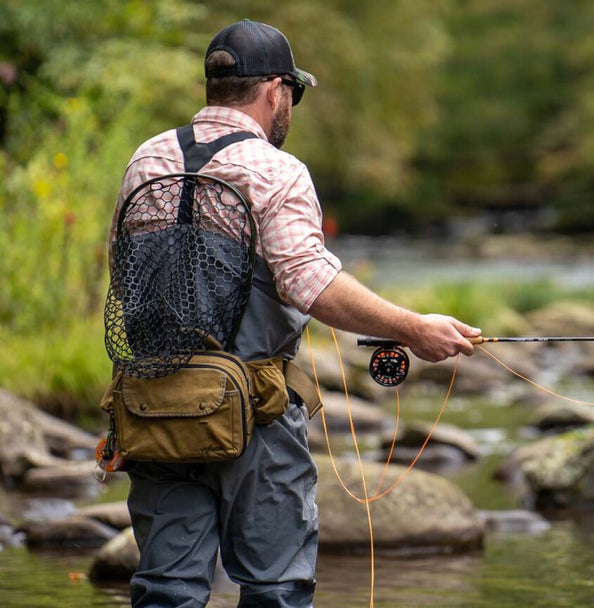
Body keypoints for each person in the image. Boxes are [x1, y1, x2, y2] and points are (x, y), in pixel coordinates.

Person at [111, 20, 479, 607]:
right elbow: (311, 284)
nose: (291, 107)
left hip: (154, 405)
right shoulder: (277, 171)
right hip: (254, 415)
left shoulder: (146, 158)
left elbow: (122, 273)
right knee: (275, 588)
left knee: (165, 590)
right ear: (275, 90)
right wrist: (414, 328)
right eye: (294, 95)